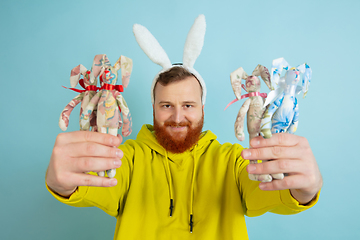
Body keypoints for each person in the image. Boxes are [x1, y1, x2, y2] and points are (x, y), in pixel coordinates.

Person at [46, 66, 322, 239]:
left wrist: (304, 190)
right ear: (153, 107)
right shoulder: (126, 158)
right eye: (166, 105)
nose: (178, 117)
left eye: (188, 105)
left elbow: (273, 192)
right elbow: (89, 187)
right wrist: (61, 183)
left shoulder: (233, 160)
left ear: (202, 108)